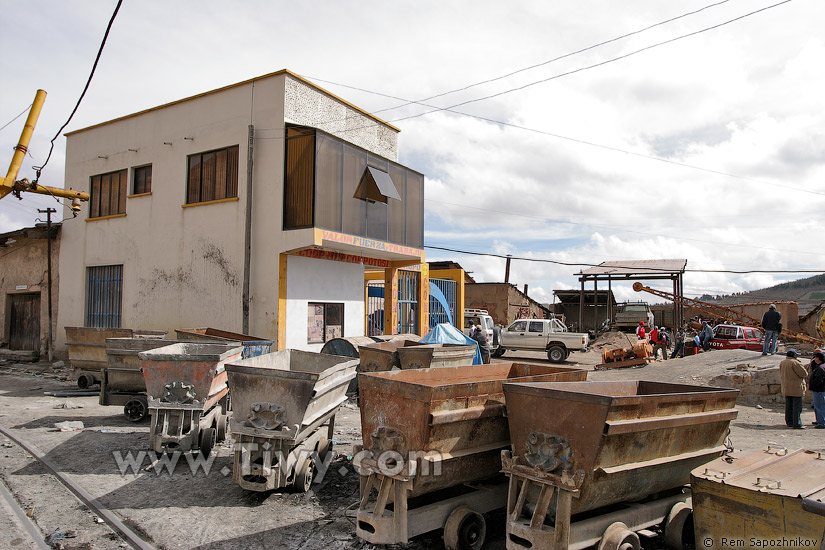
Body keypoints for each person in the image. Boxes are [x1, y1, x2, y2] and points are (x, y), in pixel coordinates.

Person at [779, 349, 808, 429]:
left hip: (786, 387)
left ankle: (789, 421)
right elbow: (803, 374)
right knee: (797, 407)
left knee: (789, 406)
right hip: (796, 388)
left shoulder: (783, 362)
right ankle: (797, 423)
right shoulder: (795, 363)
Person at [809, 351, 825, 429]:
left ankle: (821, 422)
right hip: (820, 390)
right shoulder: (821, 366)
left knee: (820, 406)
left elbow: (819, 380)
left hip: (819, 390)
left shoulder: (820, 368)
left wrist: (813, 386)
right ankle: (820, 420)